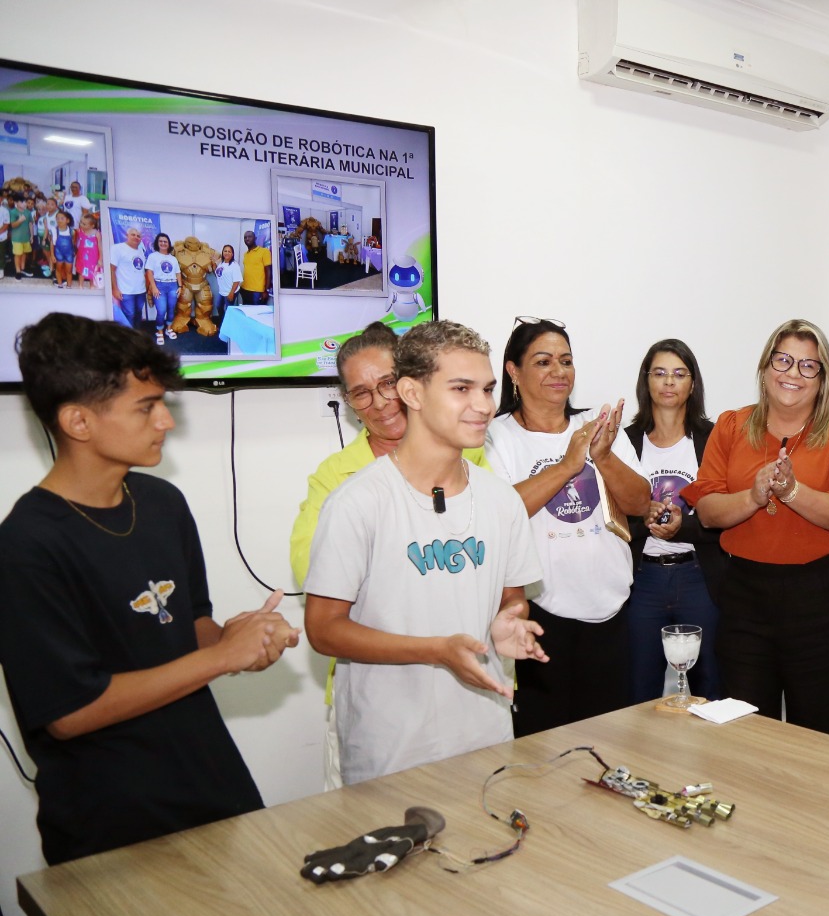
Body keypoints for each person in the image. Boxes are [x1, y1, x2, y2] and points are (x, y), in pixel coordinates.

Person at [0, 313, 299, 864]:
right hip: (110, 818)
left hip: (211, 782)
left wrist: (241, 643)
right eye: (145, 406)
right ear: (78, 422)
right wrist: (219, 659)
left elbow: (193, 629)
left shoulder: (163, 504)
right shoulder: (26, 544)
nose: (165, 421)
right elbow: (71, 712)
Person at [303, 321, 545, 785]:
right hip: (391, 748)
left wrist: (509, 621)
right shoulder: (358, 502)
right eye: (461, 388)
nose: (483, 406)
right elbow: (324, 630)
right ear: (412, 393)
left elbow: (512, 598)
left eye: (488, 389)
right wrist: (435, 650)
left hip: (485, 737)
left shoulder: (501, 500)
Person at [681, 319, 829, 736]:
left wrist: (790, 491)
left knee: (822, 735)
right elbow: (709, 512)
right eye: (783, 360)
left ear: (823, 379)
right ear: (765, 367)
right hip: (745, 598)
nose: (792, 373)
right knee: (747, 732)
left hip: (822, 599)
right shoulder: (731, 427)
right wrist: (752, 496)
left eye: (808, 366)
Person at [485, 318, 650, 735]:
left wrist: (605, 456)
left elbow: (639, 503)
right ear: (513, 372)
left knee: (610, 742)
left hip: (611, 609)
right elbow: (501, 512)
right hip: (540, 613)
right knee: (543, 747)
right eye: (543, 361)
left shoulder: (596, 424)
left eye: (566, 360)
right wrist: (568, 465)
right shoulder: (494, 436)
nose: (559, 372)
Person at [622, 338, 729, 703]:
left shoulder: (713, 438)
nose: (669, 382)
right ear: (646, 381)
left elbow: (727, 519)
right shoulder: (626, 442)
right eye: (660, 373)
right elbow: (613, 518)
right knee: (639, 689)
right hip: (643, 580)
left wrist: (683, 527)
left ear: (692, 384)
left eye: (679, 374)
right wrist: (645, 519)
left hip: (699, 575)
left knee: (710, 687)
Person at [144, 232, 181, 344]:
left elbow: (178, 273)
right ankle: (159, 331)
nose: (163, 243)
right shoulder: (152, 256)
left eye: (165, 241)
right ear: (157, 243)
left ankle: (168, 329)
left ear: (168, 244)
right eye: (161, 241)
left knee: (171, 309)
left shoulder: (173, 259)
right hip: (159, 285)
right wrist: (154, 287)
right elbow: (149, 272)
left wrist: (180, 286)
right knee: (161, 310)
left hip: (172, 285)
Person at [107, 225, 147, 327]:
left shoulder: (141, 251)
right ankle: (129, 338)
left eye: (138, 236)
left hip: (141, 290)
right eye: (133, 235)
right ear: (127, 235)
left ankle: (136, 335)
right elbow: (111, 270)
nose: (136, 237)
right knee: (129, 315)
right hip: (126, 291)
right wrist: (115, 289)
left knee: (138, 314)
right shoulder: (117, 248)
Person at [240, 229, 272, 305]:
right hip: (245, 289)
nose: (247, 239)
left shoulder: (264, 252)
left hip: (257, 291)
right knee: (246, 313)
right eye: (245, 237)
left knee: (256, 314)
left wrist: (266, 290)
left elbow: (268, 271)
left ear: (255, 238)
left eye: (249, 236)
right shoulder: (245, 254)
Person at [213, 244, 242, 319]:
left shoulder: (234, 265)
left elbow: (237, 281)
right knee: (218, 306)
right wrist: (213, 264)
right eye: (225, 251)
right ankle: (223, 322)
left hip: (230, 292)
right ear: (222, 252)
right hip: (222, 291)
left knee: (228, 311)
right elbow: (218, 273)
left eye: (229, 251)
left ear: (232, 254)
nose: (227, 253)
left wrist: (231, 293)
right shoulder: (221, 263)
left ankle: (228, 327)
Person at [73, 211, 101, 288]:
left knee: (93, 271)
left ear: (92, 225)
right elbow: (76, 241)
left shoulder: (97, 233)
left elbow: (100, 246)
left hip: (93, 257)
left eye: (84, 224)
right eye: (81, 222)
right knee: (81, 271)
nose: (81, 225)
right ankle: (80, 285)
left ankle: (92, 286)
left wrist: (100, 259)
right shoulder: (80, 231)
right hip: (82, 256)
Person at [49, 210, 76, 289]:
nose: (59, 220)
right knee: (58, 269)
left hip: (69, 254)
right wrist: (52, 255)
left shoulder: (71, 231)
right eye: (57, 218)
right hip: (58, 253)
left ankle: (69, 286)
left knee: (69, 271)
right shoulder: (54, 230)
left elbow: (73, 242)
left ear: (67, 220)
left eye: (62, 218)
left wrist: (73, 252)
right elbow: (52, 243)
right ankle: (60, 284)